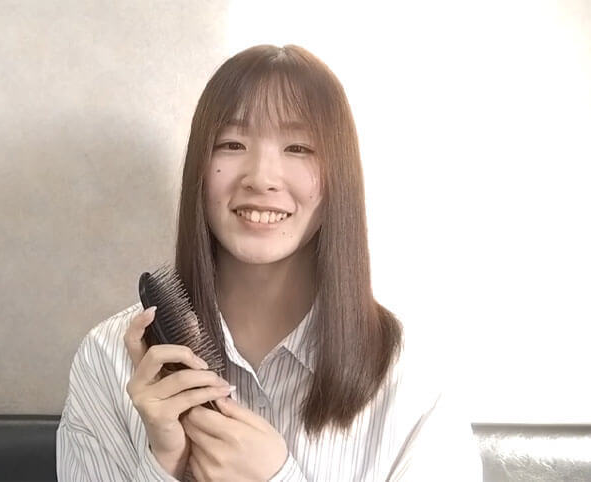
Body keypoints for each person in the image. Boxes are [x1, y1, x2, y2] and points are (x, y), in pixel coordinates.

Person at [56, 44, 483, 481]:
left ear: (340, 176)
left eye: (298, 147)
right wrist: (165, 465)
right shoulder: (108, 358)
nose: (261, 178)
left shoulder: (412, 377)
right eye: (232, 144)